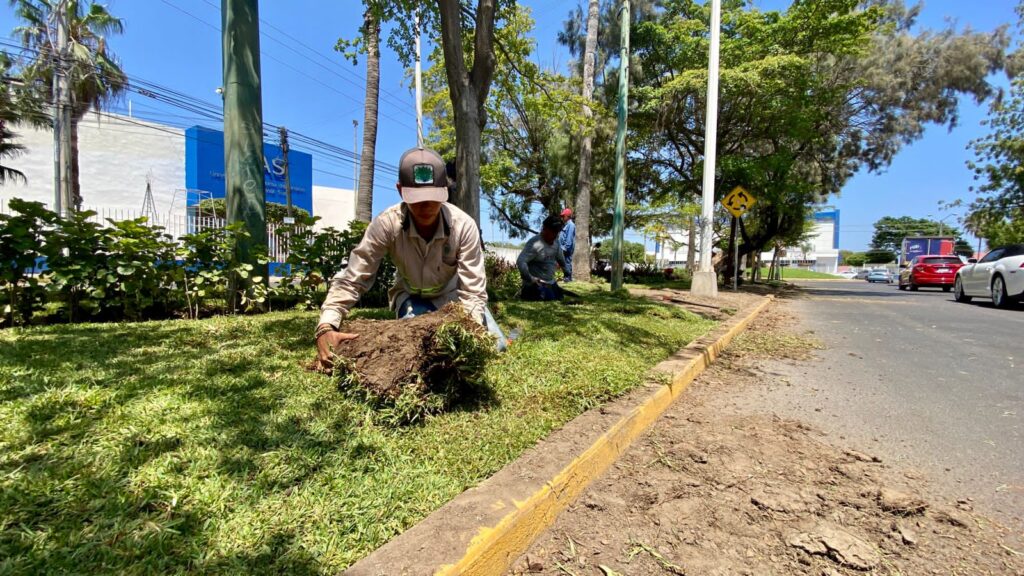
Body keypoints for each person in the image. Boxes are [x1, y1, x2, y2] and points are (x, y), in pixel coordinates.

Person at [315, 146, 505, 370]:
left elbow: (473, 291)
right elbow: (353, 278)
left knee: (496, 347)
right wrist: (326, 325)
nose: (426, 206)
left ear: (445, 190)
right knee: (417, 350)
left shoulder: (463, 226)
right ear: (400, 190)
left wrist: (467, 327)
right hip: (412, 298)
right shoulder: (386, 224)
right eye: (416, 198)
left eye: (433, 197)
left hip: (454, 300)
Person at [518, 215, 569, 301]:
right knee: (550, 297)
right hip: (534, 284)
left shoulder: (556, 243)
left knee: (560, 297)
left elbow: (561, 259)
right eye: (553, 232)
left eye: (557, 232)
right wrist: (531, 279)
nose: (556, 235)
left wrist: (566, 272)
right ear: (545, 229)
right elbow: (521, 261)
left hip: (550, 282)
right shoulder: (534, 243)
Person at [558, 208, 576, 281]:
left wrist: (565, 248)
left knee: (567, 263)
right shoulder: (567, 225)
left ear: (567, 216)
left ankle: (568, 278)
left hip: (566, 248)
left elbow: (569, 238)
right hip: (563, 247)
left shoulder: (571, 225)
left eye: (563, 216)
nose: (562, 217)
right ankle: (566, 277)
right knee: (565, 263)